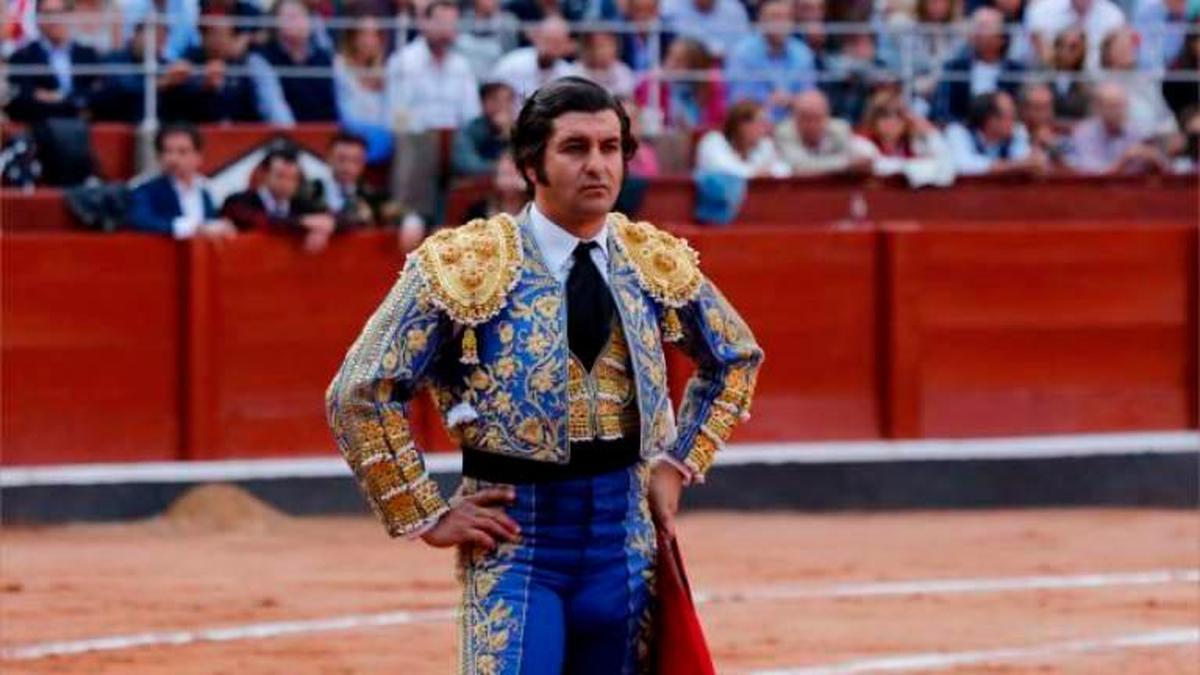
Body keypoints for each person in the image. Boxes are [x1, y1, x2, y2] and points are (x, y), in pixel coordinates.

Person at [325, 75, 763, 674]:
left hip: (624, 542)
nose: (598, 166)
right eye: (575, 148)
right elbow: (360, 389)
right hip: (516, 542)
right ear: (532, 164)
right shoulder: (466, 261)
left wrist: (678, 461)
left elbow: (734, 356)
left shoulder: (649, 259)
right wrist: (422, 512)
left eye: (611, 148)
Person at [127, 124, 237, 239]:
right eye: (167, 151)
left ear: (198, 157)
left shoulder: (206, 189)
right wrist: (192, 228)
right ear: (159, 156)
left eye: (182, 152)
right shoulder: (144, 188)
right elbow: (139, 220)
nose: (173, 159)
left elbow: (211, 223)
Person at [385, 0, 480, 131]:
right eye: (441, 22)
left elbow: (471, 114)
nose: (446, 29)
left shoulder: (462, 66)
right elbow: (398, 114)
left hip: (455, 142)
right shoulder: (403, 61)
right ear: (424, 23)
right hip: (415, 139)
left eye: (451, 23)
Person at [221, 147, 336, 252]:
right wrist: (302, 223)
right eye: (280, 176)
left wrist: (325, 227)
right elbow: (261, 222)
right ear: (265, 175)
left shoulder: (302, 204)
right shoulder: (238, 201)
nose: (286, 184)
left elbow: (342, 218)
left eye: (293, 178)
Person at [5, 0, 103, 122]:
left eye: (59, 13)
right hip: (42, 125)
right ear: (38, 18)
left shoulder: (87, 53)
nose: (54, 20)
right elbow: (22, 96)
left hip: (82, 124)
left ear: (69, 16)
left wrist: (58, 97)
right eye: (48, 14)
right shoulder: (23, 56)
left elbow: (99, 91)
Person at [723, 0, 816, 122]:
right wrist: (768, 102)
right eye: (775, 16)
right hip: (753, 123)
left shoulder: (803, 53)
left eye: (786, 17)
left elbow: (810, 101)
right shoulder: (742, 53)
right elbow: (737, 103)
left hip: (794, 126)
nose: (781, 22)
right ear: (761, 20)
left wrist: (790, 100)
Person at [247, 0, 337, 123]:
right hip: (285, 137)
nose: (297, 22)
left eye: (301, 16)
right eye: (289, 17)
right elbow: (275, 110)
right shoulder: (261, 59)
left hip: (329, 135)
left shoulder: (326, 58)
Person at [933, 7, 1027, 123]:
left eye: (983, 27)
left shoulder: (1016, 71)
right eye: (974, 26)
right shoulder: (954, 67)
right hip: (960, 131)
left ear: (1001, 38)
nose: (975, 32)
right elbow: (941, 109)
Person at [853, 90, 956, 185]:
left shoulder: (915, 142)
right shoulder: (861, 142)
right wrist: (922, 168)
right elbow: (878, 166)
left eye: (898, 115)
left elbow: (946, 170)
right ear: (873, 119)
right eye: (884, 115)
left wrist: (931, 133)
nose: (891, 121)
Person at [1066, 80, 1171, 174]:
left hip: (1134, 190)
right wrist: (1124, 159)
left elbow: (1168, 171)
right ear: (1097, 107)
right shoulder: (1084, 133)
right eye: (1112, 106)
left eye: (1121, 106)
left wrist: (1155, 160)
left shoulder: (1137, 131)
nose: (1118, 112)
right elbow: (1092, 176)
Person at [943, 90, 1046, 175]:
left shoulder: (1017, 131)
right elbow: (962, 165)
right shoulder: (957, 132)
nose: (1014, 121)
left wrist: (1036, 147)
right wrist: (1014, 165)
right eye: (1010, 116)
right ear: (991, 120)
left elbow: (1026, 161)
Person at [775, 89, 872, 176]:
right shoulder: (784, 132)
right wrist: (846, 164)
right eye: (806, 118)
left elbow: (857, 161)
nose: (812, 125)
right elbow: (800, 167)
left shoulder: (840, 129)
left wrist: (848, 164)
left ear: (827, 116)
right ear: (795, 118)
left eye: (818, 118)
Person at [489, 15, 579, 104]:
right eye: (547, 40)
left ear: (567, 46)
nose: (551, 47)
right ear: (537, 38)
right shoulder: (511, 64)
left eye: (557, 43)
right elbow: (492, 97)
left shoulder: (568, 75)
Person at [694, 99, 790, 177]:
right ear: (742, 125)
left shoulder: (765, 144)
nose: (767, 128)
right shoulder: (712, 141)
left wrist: (768, 172)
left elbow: (784, 169)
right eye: (762, 122)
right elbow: (724, 171)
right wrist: (756, 172)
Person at [451, 81, 516, 177]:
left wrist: (508, 135)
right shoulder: (469, 130)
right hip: (477, 185)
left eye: (508, 100)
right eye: (496, 100)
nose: (503, 105)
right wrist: (499, 167)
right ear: (483, 103)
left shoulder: (520, 129)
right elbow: (465, 164)